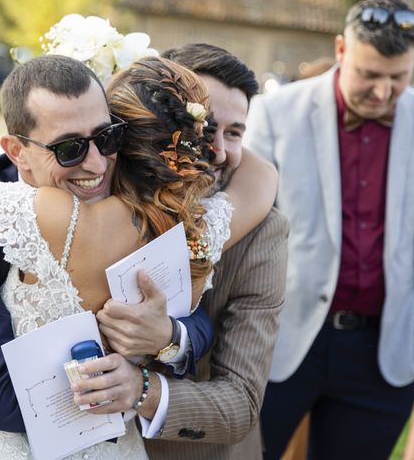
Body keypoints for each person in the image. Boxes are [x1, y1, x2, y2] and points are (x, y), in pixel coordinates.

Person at [0, 54, 277, 459]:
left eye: (107, 138)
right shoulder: (194, 227)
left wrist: (165, 339)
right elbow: (263, 176)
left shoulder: (49, 218)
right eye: (68, 148)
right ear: (16, 152)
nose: (93, 162)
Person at [74, 43, 289, 460]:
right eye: (204, 130)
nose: (220, 151)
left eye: (235, 133)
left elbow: (242, 401)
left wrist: (144, 387)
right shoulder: (86, 187)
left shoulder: (261, 230)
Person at [245, 0, 414, 460]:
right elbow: (246, 231)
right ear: (341, 51)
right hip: (281, 343)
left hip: (383, 356)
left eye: (398, 78)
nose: (382, 93)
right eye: (369, 74)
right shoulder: (276, 114)